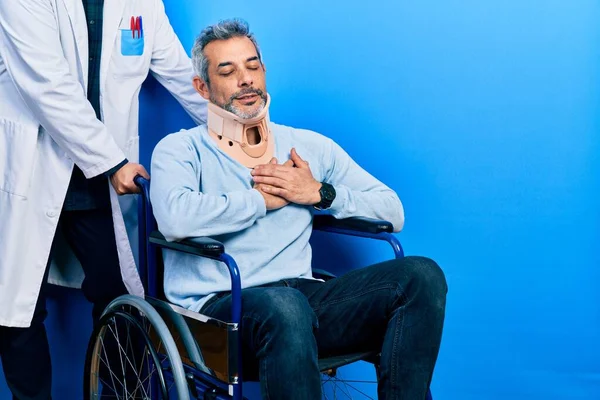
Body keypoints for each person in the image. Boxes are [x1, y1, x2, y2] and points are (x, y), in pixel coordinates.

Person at [150, 18, 447, 400]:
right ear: (202, 87)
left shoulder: (307, 146)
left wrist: (319, 193)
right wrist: (260, 201)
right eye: (228, 71)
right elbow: (174, 217)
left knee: (422, 275)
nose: (246, 80)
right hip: (219, 312)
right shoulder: (180, 149)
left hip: (303, 301)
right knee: (285, 305)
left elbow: (393, 211)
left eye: (252, 66)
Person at [0, 0, 207, 398]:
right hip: (32, 164)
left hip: (98, 177)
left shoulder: (143, 3)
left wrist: (250, 135)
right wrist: (113, 162)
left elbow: (185, 77)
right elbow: (47, 85)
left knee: (121, 299)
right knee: (18, 310)